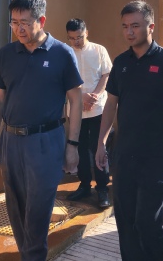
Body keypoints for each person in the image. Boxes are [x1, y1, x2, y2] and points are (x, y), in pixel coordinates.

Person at [95, 0, 163, 261]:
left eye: (135, 26)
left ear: (150, 27)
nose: (129, 32)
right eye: (125, 26)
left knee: (148, 222)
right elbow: (110, 105)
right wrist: (101, 142)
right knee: (126, 221)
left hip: (155, 156)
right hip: (124, 154)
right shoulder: (121, 62)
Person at [0, 0, 83, 261]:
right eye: (14, 22)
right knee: (15, 208)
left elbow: (76, 100)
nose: (19, 29)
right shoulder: (6, 54)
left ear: (41, 20)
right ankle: (28, 255)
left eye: (25, 23)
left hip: (46, 141)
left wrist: (72, 145)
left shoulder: (62, 53)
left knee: (38, 210)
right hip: (10, 141)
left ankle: (34, 256)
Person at [65, 18, 112, 209]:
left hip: (98, 108)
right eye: (71, 38)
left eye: (79, 37)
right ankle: (84, 185)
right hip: (76, 110)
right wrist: (81, 97)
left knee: (99, 147)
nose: (76, 41)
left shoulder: (99, 50)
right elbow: (63, 81)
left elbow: (106, 74)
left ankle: (102, 188)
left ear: (86, 33)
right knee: (80, 150)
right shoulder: (66, 53)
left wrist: (96, 95)